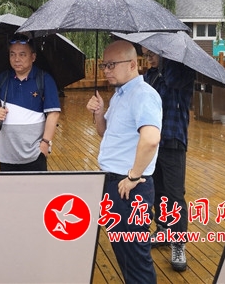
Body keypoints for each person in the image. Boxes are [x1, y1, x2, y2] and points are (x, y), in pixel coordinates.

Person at [86, 40, 161, 284]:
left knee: (136, 260)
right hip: (115, 185)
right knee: (126, 257)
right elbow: (105, 132)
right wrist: (99, 113)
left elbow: (151, 139)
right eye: (104, 65)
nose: (106, 70)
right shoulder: (120, 95)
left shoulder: (143, 95)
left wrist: (133, 176)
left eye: (111, 65)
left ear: (132, 64)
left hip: (129, 189)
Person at [142, 47, 196, 272]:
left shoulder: (182, 71)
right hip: (152, 141)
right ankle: (163, 229)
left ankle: (178, 244)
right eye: (145, 54)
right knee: (157, 190)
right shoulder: (150, 75)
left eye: (152, 53)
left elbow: (172, 82)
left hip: (173, 139)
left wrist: (165, 65)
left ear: (164, 52)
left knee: (175, 195)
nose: (148, 58)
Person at [0, 34, 60, 172]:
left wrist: (45, 143)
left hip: (34, 153)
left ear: (33, 57)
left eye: (22, 54)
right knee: (8, 186)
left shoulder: (44, 79)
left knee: (36, 187)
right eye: (12, 54)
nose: (16, 59)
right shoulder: (3, 78)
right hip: (7, 154)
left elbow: (53, 113)